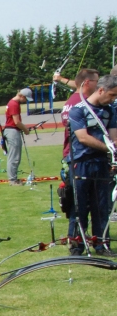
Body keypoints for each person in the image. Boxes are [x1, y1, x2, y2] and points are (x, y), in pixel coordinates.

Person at [68, 74, 117, 254]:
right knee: (79, 206)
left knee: (101, 207)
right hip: (81, 163)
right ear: (101, 90)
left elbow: (114, 136)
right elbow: (83, 137)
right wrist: (108, 148)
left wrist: (114, 148)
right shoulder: (78, 110)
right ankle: (76, 245)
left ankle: (102, 244)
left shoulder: (110, 110)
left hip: (101, 164)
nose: (113, 99)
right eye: (111, 95)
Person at [57, 69, 100, 244]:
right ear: (87, 83)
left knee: (78, 201)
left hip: (70, 155)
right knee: (80, 202)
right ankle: (77, 239)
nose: (99, 85)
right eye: (97, 81)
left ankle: (78, 238)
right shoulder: (81, 104)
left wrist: (59, 79)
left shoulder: (70, 101)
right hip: (78, 158)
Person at [3, 87, 33, 185]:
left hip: (11, 130)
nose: (25, 101)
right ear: (21, 96)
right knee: (14, 157)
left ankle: (13, 179)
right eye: (25, 99)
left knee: (15, 156)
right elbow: (16, 122)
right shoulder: (14, 104)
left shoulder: (13, 103)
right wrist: (25, 130)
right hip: (12, 131)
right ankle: (12, 180)